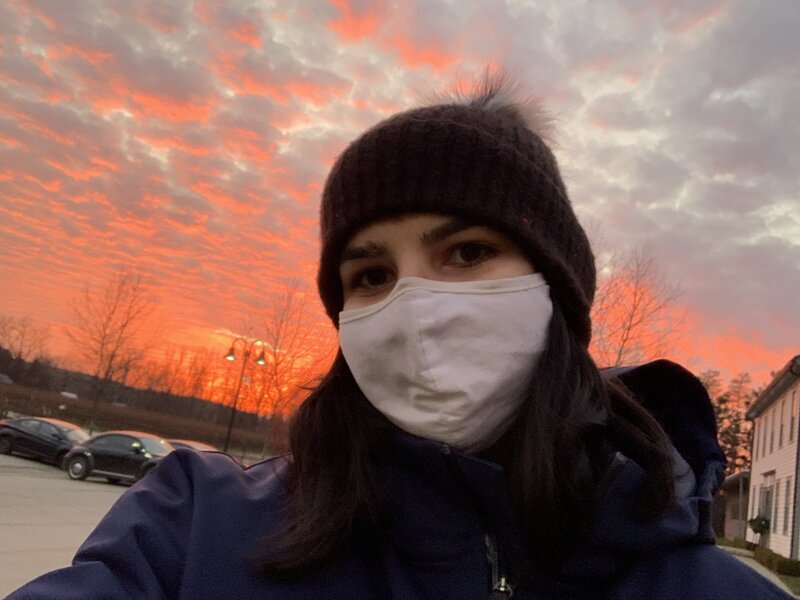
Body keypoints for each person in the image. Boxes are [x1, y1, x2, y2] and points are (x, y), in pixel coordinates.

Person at [9, 72, 791, 600]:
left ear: (557, 292)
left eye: (468, 253)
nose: (417, 305)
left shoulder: (701, 586)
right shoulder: (194, 525)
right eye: (372, 275)